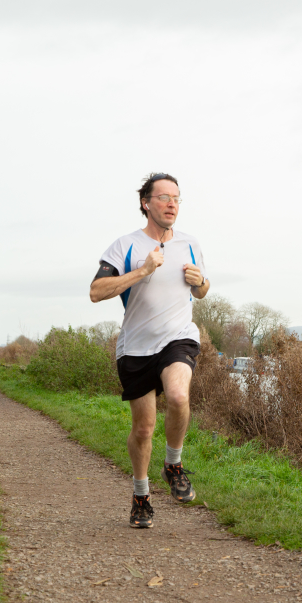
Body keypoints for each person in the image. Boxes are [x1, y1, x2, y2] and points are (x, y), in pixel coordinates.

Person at [90, 172, 209, 528]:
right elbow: (96, 291)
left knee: (177, 395)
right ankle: (141, 495)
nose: (172, 204)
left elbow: (202, 291)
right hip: (136, 346)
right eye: (164, 197)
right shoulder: (124, 246)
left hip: (178, 337)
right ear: (146, 203)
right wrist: (142, 271)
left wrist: (201, 282)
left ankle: (173, 463)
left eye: (177, 198)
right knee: (143, 430)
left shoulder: (190, 244)